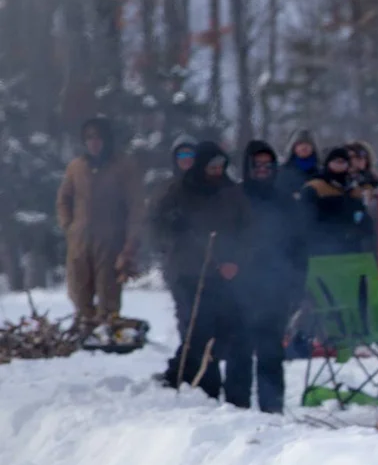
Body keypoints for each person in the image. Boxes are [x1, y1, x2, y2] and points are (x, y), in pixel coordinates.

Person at [151, 140, 251, 403]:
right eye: (212, 165)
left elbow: (246, 232)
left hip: (223, 273)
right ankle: (193, 383)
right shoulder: (179, 191)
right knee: (196, 329)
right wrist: (173, 227)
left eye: (221, 165)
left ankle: (204, 384)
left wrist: (235, 261)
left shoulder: (231, 193)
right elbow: (157, 228)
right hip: (187, 272)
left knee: (221, 332)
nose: (217, 170)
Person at [230, 140, 307, 413]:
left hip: (275, 286)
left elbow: (300, 246)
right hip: (239, 286)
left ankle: (272, 409)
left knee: (271, 353)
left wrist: (297, 286)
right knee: (239, 351)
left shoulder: (284, 201)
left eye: (267, 165)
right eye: (257, 165)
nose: (262, 170)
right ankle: (236, 408)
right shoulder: (234, 197)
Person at [55, 115, 145, 326]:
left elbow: (136, 206)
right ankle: (85, 328)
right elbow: (63, 199)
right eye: (89, 138)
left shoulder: (123, 166)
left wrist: (131, 240)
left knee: (108, 290)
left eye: (98, 137)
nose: (94, 142)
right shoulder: (76, 167)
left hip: (111, 239)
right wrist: (68, 226)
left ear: (107, 140)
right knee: (78, 289)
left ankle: (108, 331)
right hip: (80, 239)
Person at [300, 146, 374, 255]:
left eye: (343, 162)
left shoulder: (354, 189)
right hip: (321, 249)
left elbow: (364, 220)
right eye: (336, 161)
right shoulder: (315, 187)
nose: (339, 165)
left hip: (351, 249)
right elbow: (304, 220)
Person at [279, 128, 320, 197]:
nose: (304, 147)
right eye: (300, 144)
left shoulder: (321, 172)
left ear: (313, 147)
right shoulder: (283, 171)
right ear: (293, 147)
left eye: (308, 143)